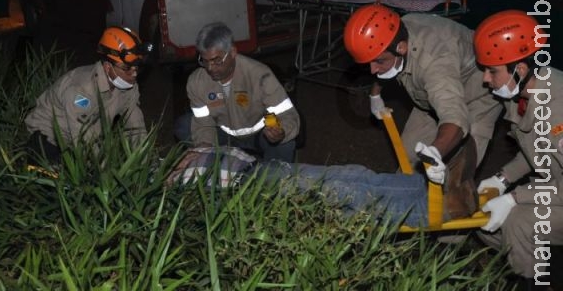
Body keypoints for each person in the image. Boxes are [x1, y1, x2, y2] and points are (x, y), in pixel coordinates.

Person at [343, 4, 502, 184]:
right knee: (408, 158)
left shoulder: (435, 62)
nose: (373, 70)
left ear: (401, 48)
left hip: (478, 93)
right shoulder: (393, 31)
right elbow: (383, 65)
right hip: (429, 94)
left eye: (379, 61)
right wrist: (375, 94)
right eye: (369, 63)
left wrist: (436, 152)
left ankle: (451, 208)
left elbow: (455, 117)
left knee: (458, 174)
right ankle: (402, 204)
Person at [165, 139, 478, 228]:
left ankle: (433, 190)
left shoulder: (193, 151)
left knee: (356, 174)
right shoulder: (167, 182)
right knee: (348, 196)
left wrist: (193, 153)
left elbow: (236, 152)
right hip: (255, 191)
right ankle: (439, 211)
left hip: (265, 170)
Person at [473, 9, 562, 287]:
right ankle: (544, 265)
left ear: (520, 69)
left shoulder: (558, 109)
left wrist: (515, 198)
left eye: (491, 71)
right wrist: (503, 179)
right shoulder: (518, 93)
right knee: (486, 218)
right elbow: (538, 152)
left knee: (519, 223)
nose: (485, 79)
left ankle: (532, 282)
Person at [25, 26, 153, 163]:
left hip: (84, 136)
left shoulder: (128, 87)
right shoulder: (81, 91)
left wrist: (148, 164)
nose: (133, 74)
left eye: (137, 68)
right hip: (49, 137)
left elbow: (135, 129)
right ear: (107, 67)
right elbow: (84, 142)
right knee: (76, 177)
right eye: (127, 68)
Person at [178, 22, 300, 162]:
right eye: (205, 61)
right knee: (184, 125)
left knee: (285, 143)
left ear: (233, 52)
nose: (210, 68)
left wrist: (280, 132)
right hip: (223, 134)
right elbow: (203, 123)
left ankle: (272, 178)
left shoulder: (260, 76)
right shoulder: (197, 81)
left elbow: (288, 115)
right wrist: (203, 146)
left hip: (259, 134)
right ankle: (218, 166)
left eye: (217, 61)